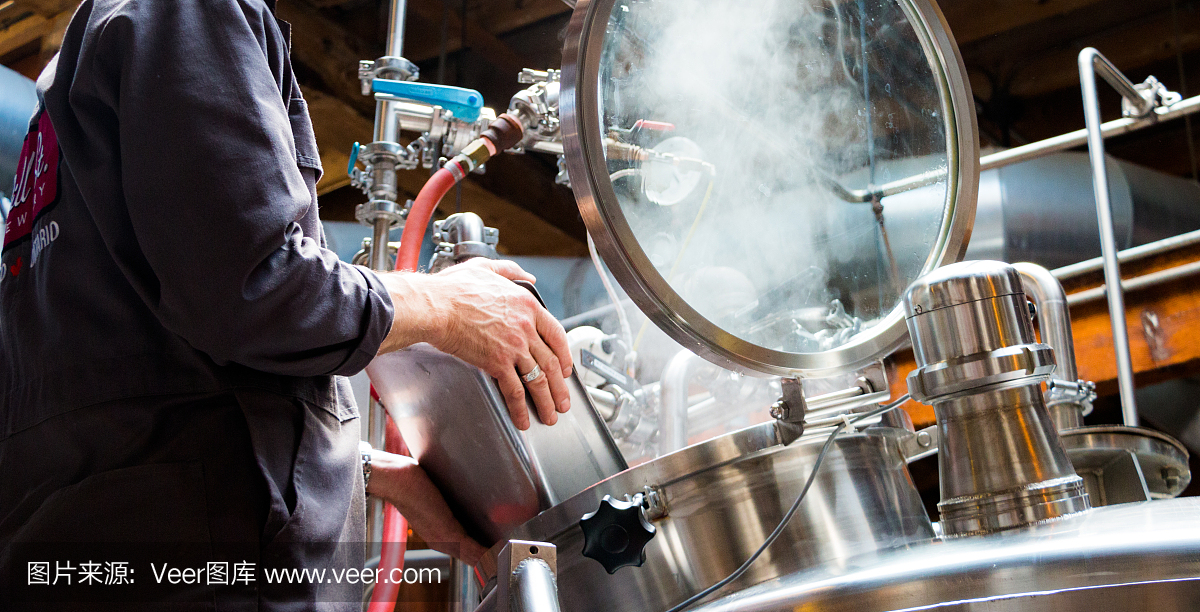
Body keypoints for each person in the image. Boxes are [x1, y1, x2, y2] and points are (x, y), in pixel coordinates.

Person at [0, 0, 573, 608]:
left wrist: (367, 471)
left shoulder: (82, 67)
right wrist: (446, 306)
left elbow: (123, 371)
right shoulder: (188, 11)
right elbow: (257, 285)